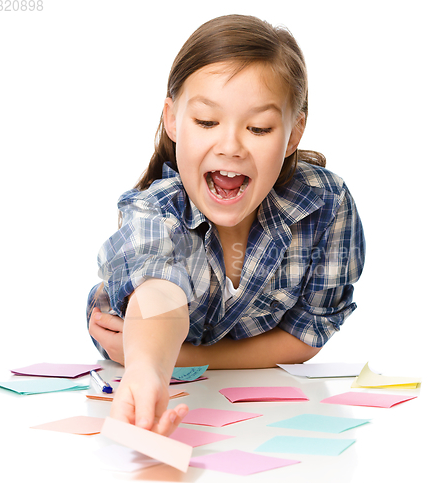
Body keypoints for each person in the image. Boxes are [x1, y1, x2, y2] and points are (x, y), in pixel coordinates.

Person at [87, 14, 365, 436]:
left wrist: (188, 359)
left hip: (259, 415)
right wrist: (146, 370)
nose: (231, 146)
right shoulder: (155, 212)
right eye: (206, 122)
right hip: (138, 342)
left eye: (259, 128)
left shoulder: (326, 205)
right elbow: (159, 295)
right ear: (173, 120)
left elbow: (308, 336)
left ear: (293, 134)